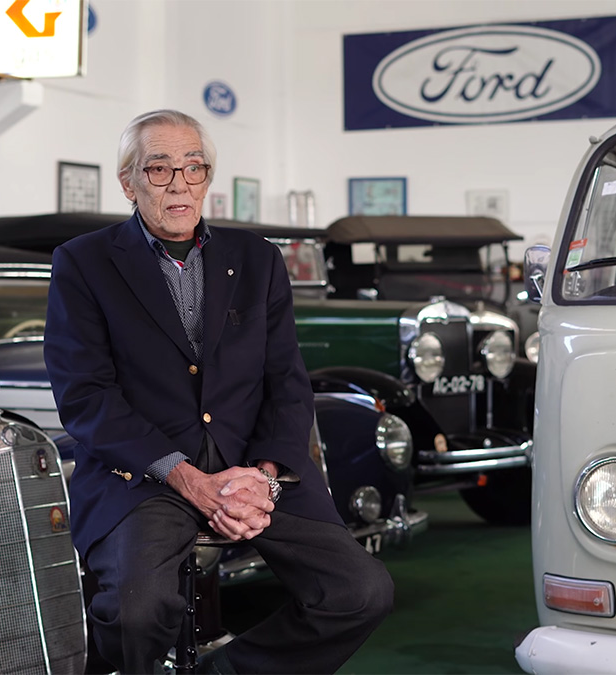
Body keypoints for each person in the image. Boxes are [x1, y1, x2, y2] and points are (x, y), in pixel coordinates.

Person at [44, 109, 394, 674]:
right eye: (159, 169)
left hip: (252, 469)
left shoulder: (256, 258)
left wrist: (264, 477)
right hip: (146, 476)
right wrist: (187, 478)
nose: (179, 184)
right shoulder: (84, 262)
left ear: (208, 178)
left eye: (194, 167)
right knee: (136, 614)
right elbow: (86, 397)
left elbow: (287, 381)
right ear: (129, 183)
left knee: (360, 593)